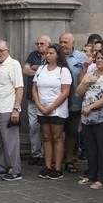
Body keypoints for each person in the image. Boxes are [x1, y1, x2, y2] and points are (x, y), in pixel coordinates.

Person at [75, 48, 103, 189]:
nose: (100, 60)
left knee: (102, 147)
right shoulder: (90, 74)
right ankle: (91, 175)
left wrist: (91, 107)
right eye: (98, 58)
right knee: (90, 148)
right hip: (87, 118)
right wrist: (84, 82)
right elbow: (78, 93)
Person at [32, 44, 72, 180]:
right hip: (42, 109)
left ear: (57, 55)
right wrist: (39, 105)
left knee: (57, 137)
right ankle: (48, 166)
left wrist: (51, 107)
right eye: (47, 53)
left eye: (51, 53)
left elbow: (65, 92)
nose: (48, 56)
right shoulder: (41, 69)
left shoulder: (63, 71)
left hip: (57, 110)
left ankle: (57, 168)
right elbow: (34, 88)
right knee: (46, 137)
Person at [0, 40, 24, 181]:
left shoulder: (14, 64)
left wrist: (16, 109)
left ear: (7, 50)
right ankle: (2, 166)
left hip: (8, 108)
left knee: (11, 141)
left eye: (1, 50)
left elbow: (19, 88)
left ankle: (15, 170)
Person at [59, 33, 87, 174]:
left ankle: (69, 159)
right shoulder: (56, 56)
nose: (63, 44)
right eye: (61, 42)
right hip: (58, 102)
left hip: (75, 102)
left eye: (66, 42)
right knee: (57, 132)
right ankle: (57, 160)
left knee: (71, 132)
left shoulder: (82, 57)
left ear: (72, 43)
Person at [23, 35, 50, 165]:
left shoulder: (51, 55)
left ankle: (46, 155)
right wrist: (41, 71)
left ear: (48, 44)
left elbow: (52, 72)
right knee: (33, 127)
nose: (39, 46)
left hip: (45, 99)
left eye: (42, 43)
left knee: (46, 128)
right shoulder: (32, 54)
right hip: (32, 98)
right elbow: (25, 70)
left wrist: (36, 68)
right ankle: (36, 153)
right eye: (37, 43)